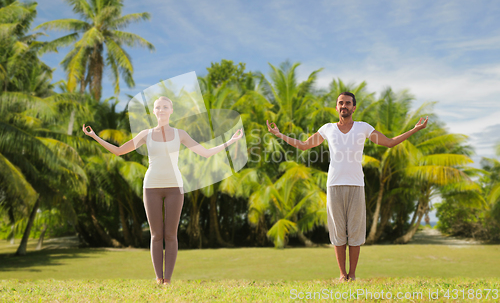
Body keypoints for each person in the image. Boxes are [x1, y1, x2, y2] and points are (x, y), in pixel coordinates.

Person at [266, 91, 428, 282]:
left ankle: (352, 274)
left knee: (355, 232)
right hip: (334, 185)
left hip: (356, 185)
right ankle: (343, 275)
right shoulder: (327, 129)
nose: (344, 106)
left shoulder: (363, 128)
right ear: (336, 107)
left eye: (348, 103)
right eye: (341, 103)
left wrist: (415, 129)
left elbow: (390, 143)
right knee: (338, 232)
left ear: (354, 107)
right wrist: (279, 134)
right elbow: (303, 145)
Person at [83, 96, 243, 286]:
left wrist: (231, 141)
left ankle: (168, 279)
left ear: (171, 110)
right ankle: (158, 278)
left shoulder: (180, 134)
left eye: (165, 106)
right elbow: (119, 151)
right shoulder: (146, 134)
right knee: (156, 235)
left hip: (175, 187)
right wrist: (94, 136)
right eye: (158, 107)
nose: (161, 110)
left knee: (171, 235)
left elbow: (205, 153)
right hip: (151, 187)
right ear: (154, 111)